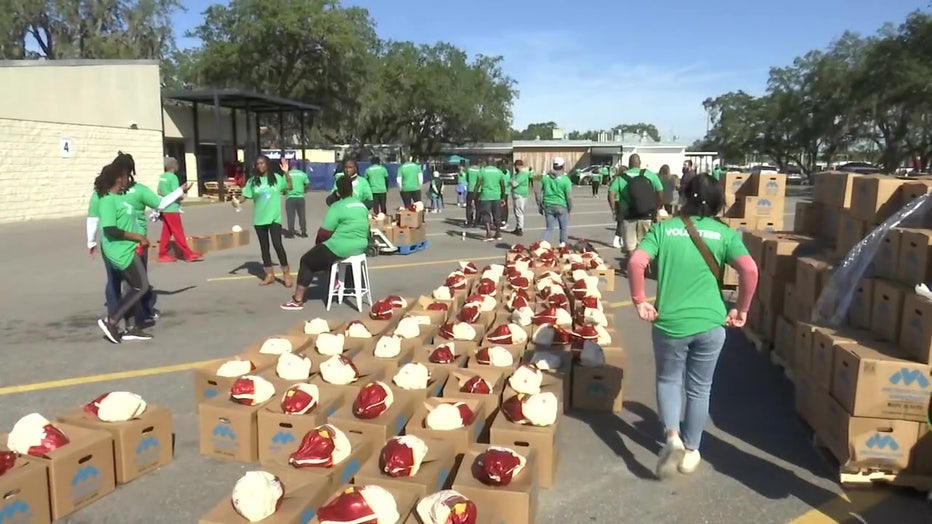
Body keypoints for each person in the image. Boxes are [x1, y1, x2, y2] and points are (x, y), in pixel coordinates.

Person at [627, 174, 759, 479]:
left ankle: (671, 437)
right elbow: (750, 270)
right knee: (700, 389)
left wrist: (639, 301)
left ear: (684, 196)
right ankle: (692, 449)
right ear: (717, 202)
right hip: (711, 323)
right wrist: (741, 308)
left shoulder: (664, 229)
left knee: (669, 381)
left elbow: (636, 263)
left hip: (670, 323)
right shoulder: (725, 234)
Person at [281, 175, 370, 310]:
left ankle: (297, 300)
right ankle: (334, 280)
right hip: (360, 246)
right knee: (323, 255)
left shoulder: (337, 206)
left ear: (338, 192)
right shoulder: (361, 205)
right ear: (352, 190)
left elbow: (324, 233)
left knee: (307, 260)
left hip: (341, 247)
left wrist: (318, 245)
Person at [112, 152, 173, 327]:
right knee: (138, 283)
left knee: (119, 282)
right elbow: (160, 204)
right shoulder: (139, 190)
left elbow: (96, 217)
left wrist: (91, 241)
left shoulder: (108, 192)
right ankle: (128, 320)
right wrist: (178, 192)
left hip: (114, 242)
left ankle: (118, 315)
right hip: (136, 242)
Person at [95, 164, 154, 343]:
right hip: (119, 250)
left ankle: (131, 328)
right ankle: (111, 321)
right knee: (141, 286)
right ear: (118, 178)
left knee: (132, 287)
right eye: (125, 176)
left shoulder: (119, 198)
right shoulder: (106, 200)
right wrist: (137, 236)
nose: (128, 180)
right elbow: (110, 229)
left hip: (129, 247)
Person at [234, 155, 293, 286]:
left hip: (274, 218)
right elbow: (245, 196)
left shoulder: (276, 179)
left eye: (262, 163)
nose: (260, 166)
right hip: (259, 219)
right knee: (264, 248)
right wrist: (237, 201)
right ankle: (269, 274)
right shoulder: (253, 181)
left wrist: (286, 172)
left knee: (277, 245)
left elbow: (289, 186)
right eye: (258, 164)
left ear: (267, 164)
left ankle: (286, 274)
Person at [608, 154, 663, 254]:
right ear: (640, 163)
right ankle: (644, 266)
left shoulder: (621, 178)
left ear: (629, 164)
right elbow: (660, 192)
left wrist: (614, 210)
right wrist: (656, 208)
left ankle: (634, 266)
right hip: (646, 215)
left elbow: (611, 194)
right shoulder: (650, 175)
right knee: (646, 245)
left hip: (628, 216)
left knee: (630, 246)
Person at [157, 156, 202, 261]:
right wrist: (184, 190)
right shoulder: (173, 177)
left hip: (164, 207)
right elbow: (176, 193)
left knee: (166, 233)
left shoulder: (162, 176)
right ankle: (188, 254)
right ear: (174, 166)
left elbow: (160, 191)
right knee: (178, 231)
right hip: (172, 208)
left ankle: (162, 254)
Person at [536, 157, 573, 247]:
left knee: (549, 228)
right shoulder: (565, 180)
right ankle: (562, 245)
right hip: (561, 205)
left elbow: (537, 192)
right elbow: (569, 196)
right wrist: (570, 207)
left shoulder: (545, 178)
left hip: (548, 205)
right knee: (563, 228)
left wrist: (540, 205)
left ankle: (544, 243)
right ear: (563, 166)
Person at [474, 160, 506, 242]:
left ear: (486, 163)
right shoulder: (499, 172)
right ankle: (498, 233)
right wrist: (503, 197)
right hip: (496, 196)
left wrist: (475, 196)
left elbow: (478, 184)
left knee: (485, 214)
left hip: (485, 196)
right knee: (497, 215)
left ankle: (489, 233)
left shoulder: (482, 171)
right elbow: (502, 185)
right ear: (494, 164)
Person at [284, 160, 310, 238]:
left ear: (290, 165)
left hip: (290, 197)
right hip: (300, 197)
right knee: (302, 215)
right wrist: (304, 190)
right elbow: (307, 184)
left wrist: (285, 191)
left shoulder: (287, 174)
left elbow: (284, 185)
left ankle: (291, 233)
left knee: (291, 216)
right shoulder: (302, 174)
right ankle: (303, 232)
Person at [510, 159, 530, 237]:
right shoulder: (517, 174)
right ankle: (517, 227)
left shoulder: (523, 174)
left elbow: (514, 183)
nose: (515, 167)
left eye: (515, 166)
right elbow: (511, 180)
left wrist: (511, 182)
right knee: (517, 212)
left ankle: (520, 228)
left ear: (518, 166)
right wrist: (511, 181)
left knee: (519, 212)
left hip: (520, 195)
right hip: (517, 194)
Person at [464, 162, 481, 226]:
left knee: (469, 206)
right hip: (478, 190)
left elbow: (467, 179)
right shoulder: (480, 170)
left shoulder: (469, 169)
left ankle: (469, 220)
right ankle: (477, 221)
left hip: (470, 189)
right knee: (478, 206)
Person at [498, 161, 511, 228]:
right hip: (506, 191)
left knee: (502, 206)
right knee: (505, 206)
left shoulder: (501, 172)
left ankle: (503, 221)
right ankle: (505, 220)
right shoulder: (508, 172)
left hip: (502, 191)